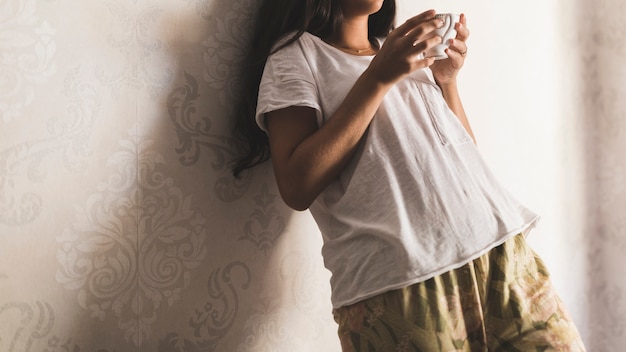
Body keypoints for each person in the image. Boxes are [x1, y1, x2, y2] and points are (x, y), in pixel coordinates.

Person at [232, 0, 587, 350]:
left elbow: (462, 157)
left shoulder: (399, 51)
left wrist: (447, 82)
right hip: (399, 284)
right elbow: (296, 186)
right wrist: (378, 77)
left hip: (503, 254)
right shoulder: (296, 57)